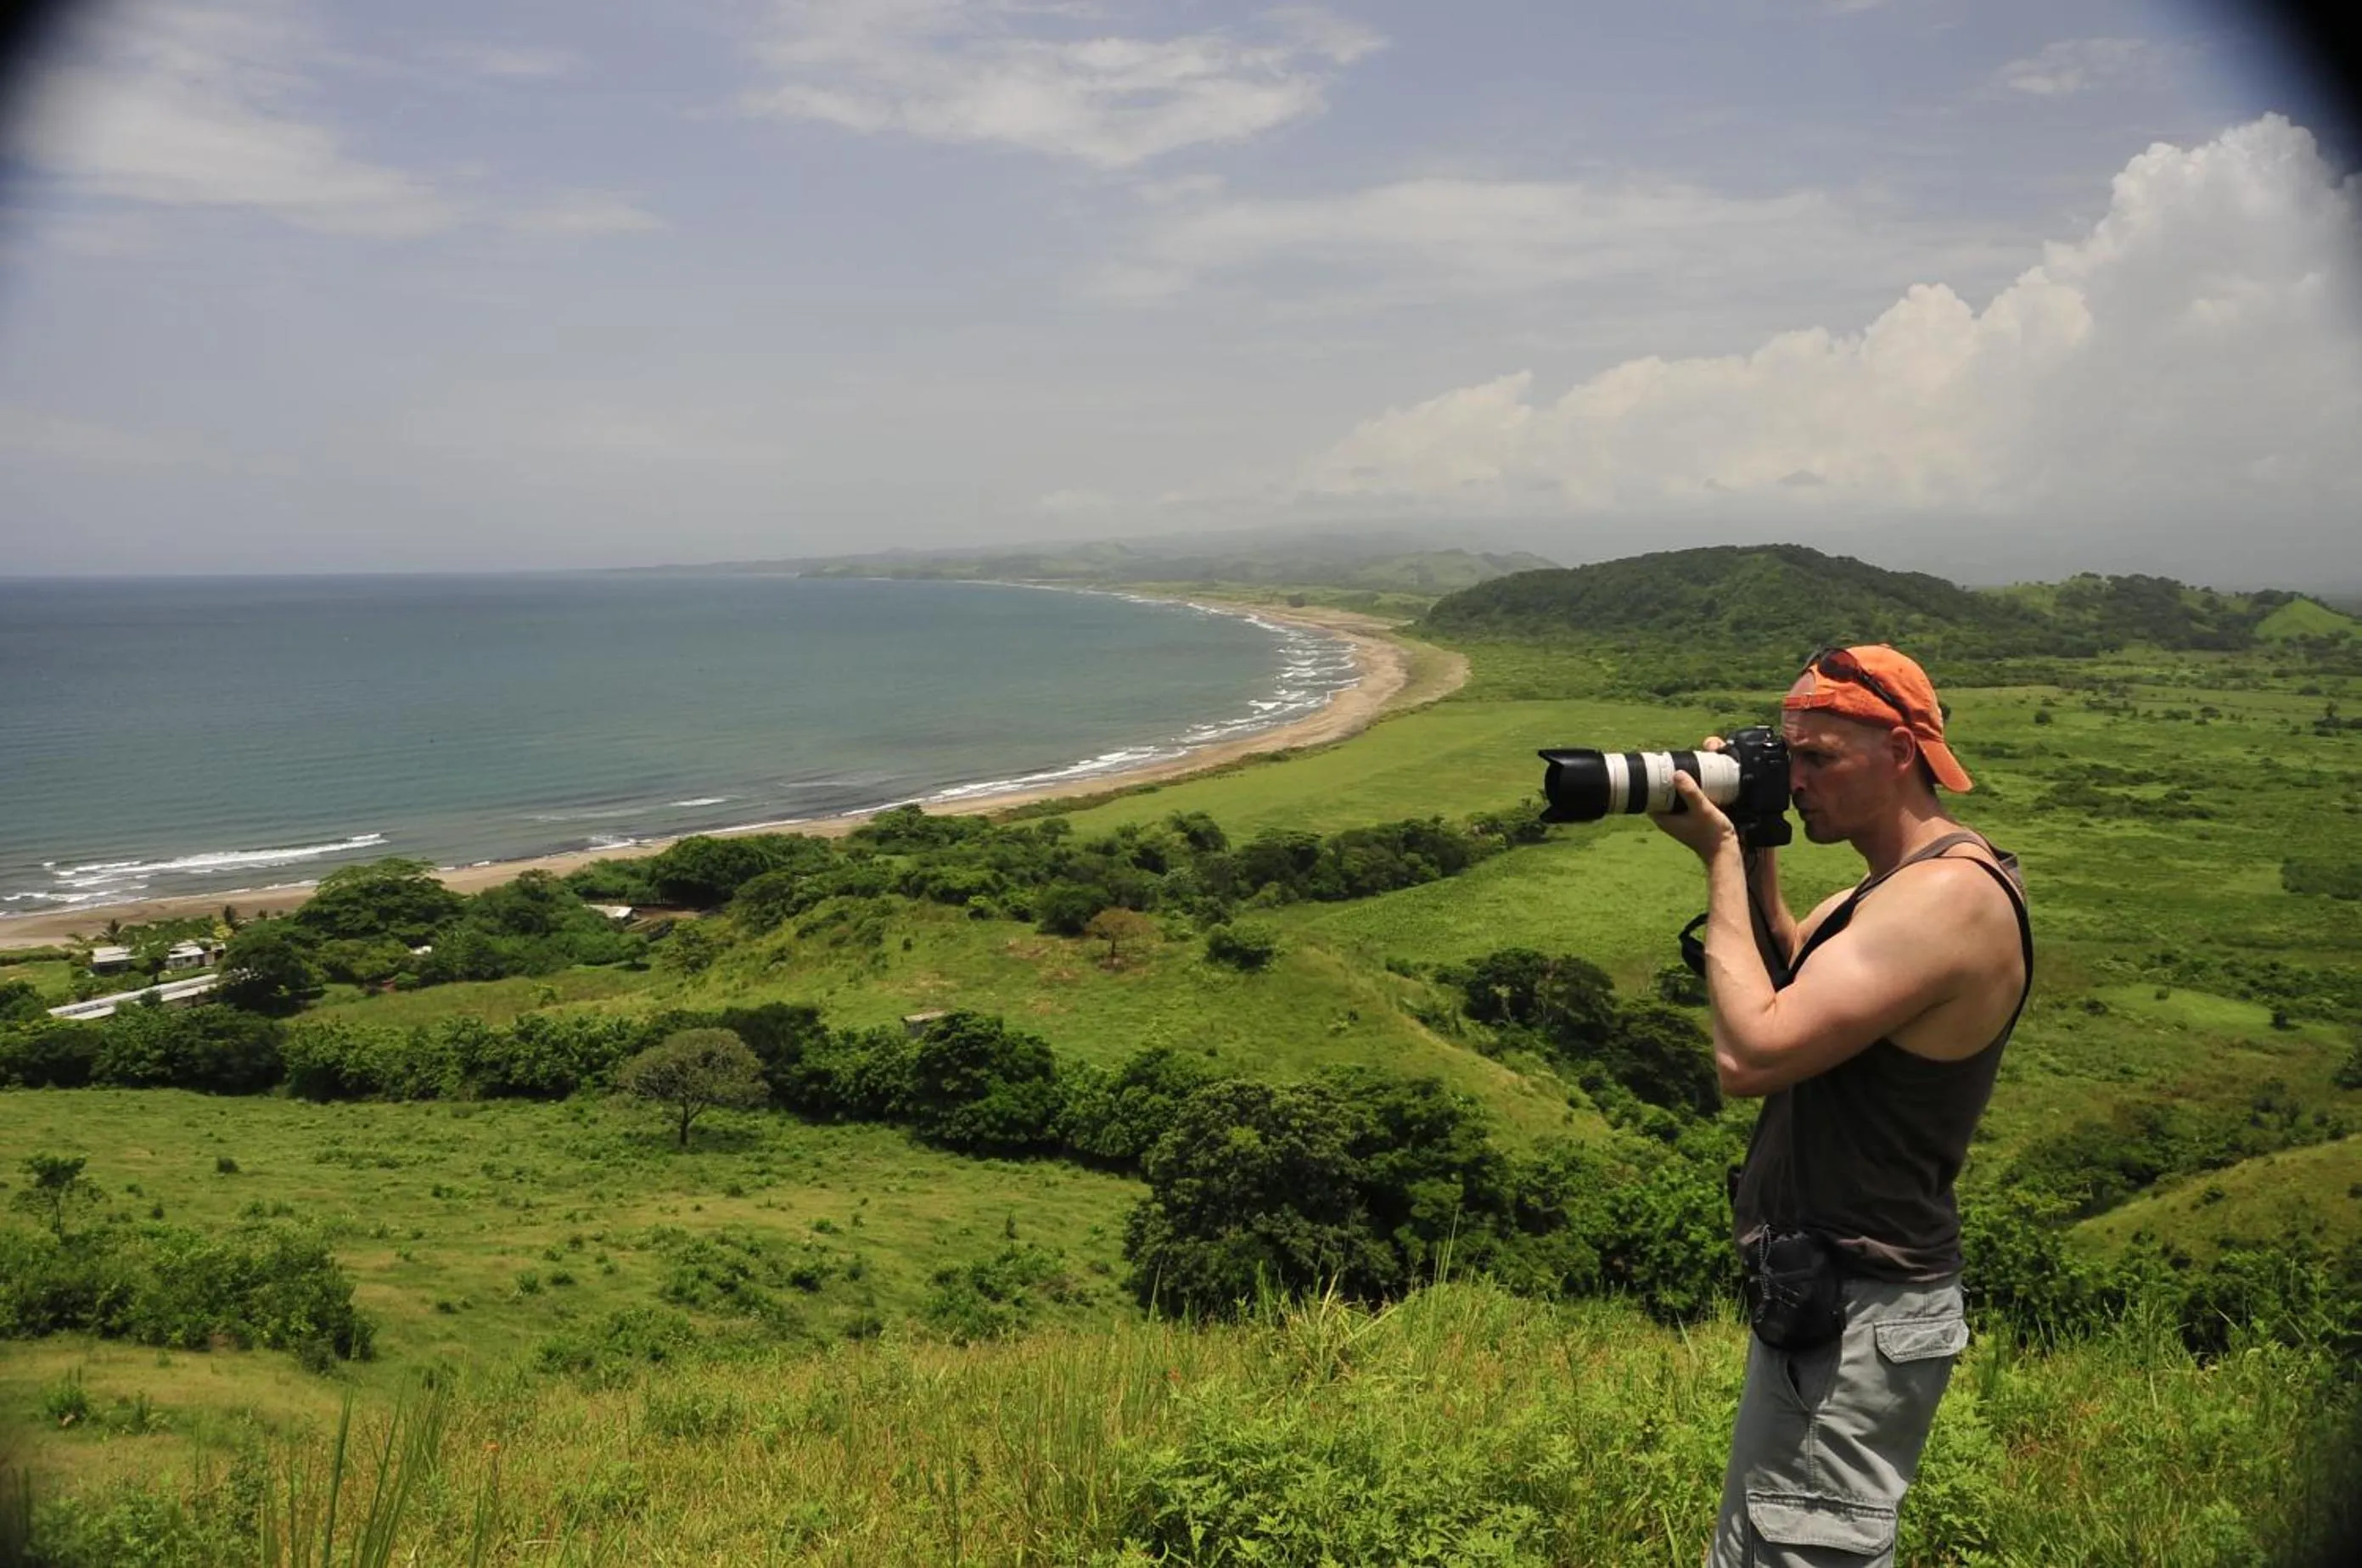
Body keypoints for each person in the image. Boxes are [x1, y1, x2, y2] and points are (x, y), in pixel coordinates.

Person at [1650, 644, 2033, 1568]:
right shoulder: (1880, 892)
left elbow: (1753, 1051)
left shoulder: (1948, 899)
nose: (1800, 779)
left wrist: (1715, 854)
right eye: (1790, 757)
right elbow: (1792, 973)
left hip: (1863, 1307)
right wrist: (1751, 841)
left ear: (1900, 751)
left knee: (1801, 1552)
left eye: (1819, 758)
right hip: (1821, 1298)